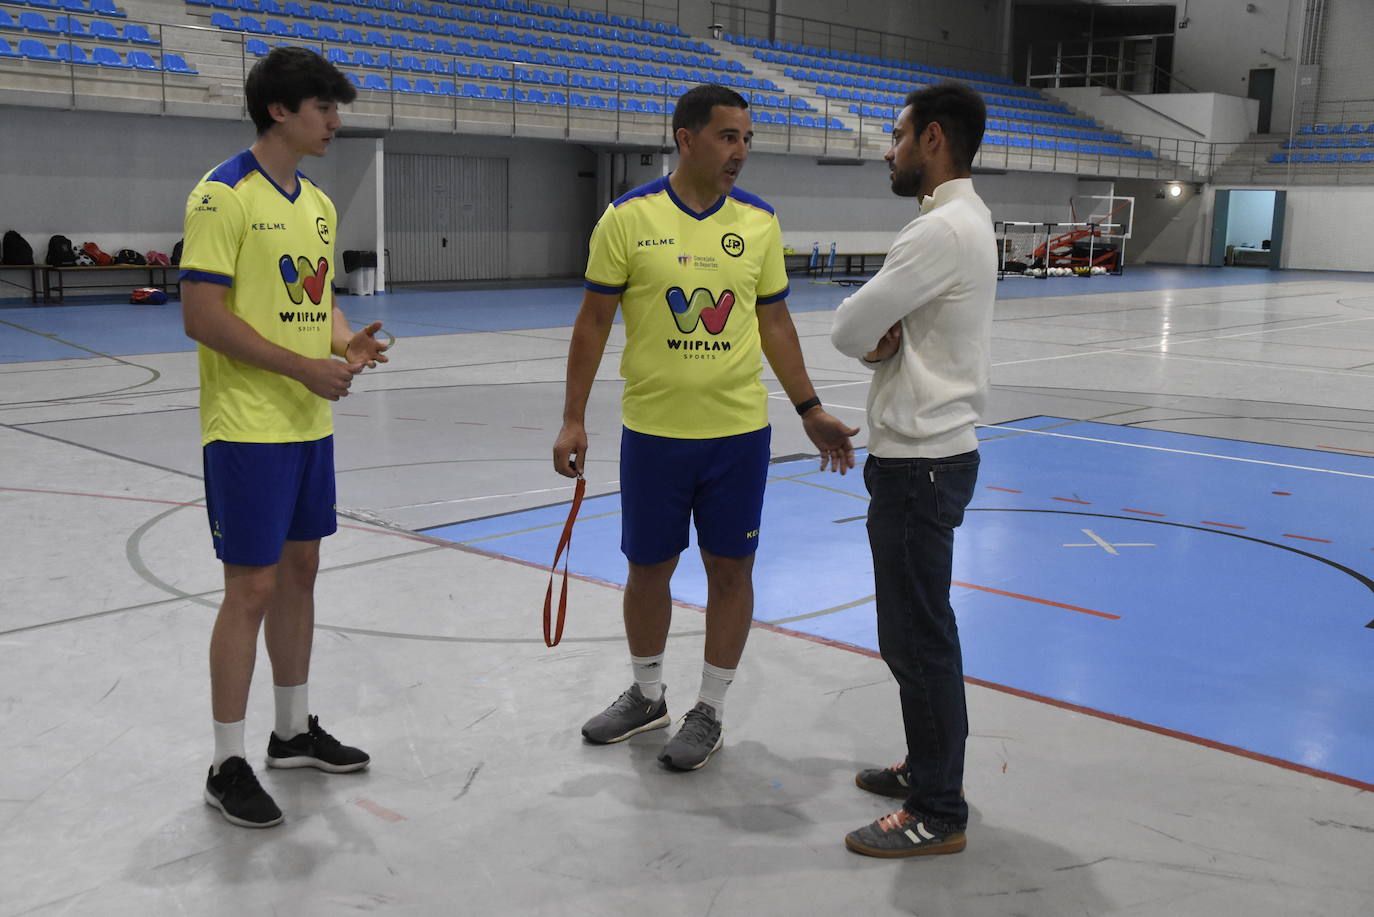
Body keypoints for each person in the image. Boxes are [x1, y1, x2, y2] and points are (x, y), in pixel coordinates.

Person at [553, 83, 858, 771]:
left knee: (730, 567)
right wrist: (572, 418)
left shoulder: (758, 221)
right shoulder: (626, 219)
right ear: (685, 139)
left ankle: (711, 707)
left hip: (737, 436)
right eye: (728, 136)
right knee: (647, 568)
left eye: (747, 138)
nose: (741, 152)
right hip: (654, 433)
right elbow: (593, 323)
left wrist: (810, 408)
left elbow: (774, 321)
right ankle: (647, 693)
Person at [180, 46, 389, 828]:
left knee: (302, 571)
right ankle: (225, 761)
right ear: (280, 110)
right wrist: (303, 368)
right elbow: (201, 316)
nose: (335, 121)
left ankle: (293, 731)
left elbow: (318, 298)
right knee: (251, 590)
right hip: (246, 426)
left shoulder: (318, 204)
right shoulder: (222, 195)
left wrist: (342, 344)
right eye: (323, 108)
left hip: (307, 424)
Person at [829, 82, 996, 856]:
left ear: (932, 139)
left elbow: (848, 325)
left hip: (918, 466)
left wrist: (870, 338)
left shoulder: (936, 231)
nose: (887, 150)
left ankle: (938, 809)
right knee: (927, 632)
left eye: (896, 136)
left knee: (917, 639)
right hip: (936, 459)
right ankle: (929, 766)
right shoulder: (966, 218)